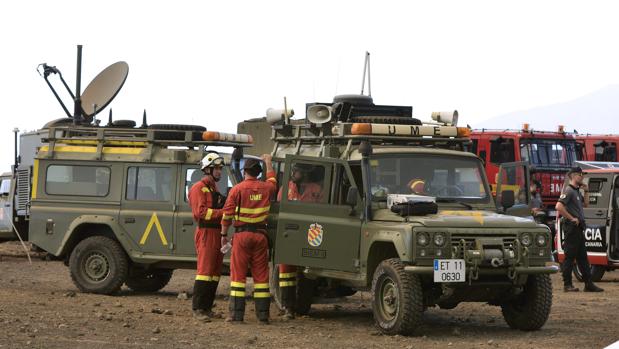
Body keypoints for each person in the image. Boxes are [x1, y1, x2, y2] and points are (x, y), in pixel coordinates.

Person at [220, 155, 277, 323]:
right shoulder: (267, 188)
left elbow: (227, 215)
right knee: (261, 276)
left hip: (242, 236)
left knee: (238, 275)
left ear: (244, 171)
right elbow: (273, 180)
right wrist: (268, 162)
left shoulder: (237, 190)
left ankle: (237, 315)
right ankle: (263, 315)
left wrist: (223, 235)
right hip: (261, 236)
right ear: (258, 173)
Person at [276, 164, 323, 319]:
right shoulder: (286, 188)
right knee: (286, 272)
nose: (296, 174)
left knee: (308, 273)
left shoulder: (316, 189)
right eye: (295, 171)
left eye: (299, 171)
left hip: (310, 234)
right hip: (290, 234)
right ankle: (287, 307)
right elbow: (280, 209)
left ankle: (302, 307)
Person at [188, 152, 227, 321]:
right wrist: (223, 212)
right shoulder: (199, 188)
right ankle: (198, 309)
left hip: (217, 232)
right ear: (207, 169)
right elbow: (200, 212)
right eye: (216, 168)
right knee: (205, 271)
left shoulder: (213, 188)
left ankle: (207, 307)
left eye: (220, 169)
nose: (219, 172)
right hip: (206, 233)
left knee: (214, 272)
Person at [555, 166, 603, 292]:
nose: (582, 176)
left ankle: (588, 283)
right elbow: (559, 206)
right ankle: (567, 284)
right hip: (572, 228)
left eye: (583, 174)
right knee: (569, 257)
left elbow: (586, 204)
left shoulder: (576, 191)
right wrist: (571, 218)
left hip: (578, 228)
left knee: (582, 257)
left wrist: (586, 191)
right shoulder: (569, 190)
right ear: (573, 175)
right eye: (580, 174)